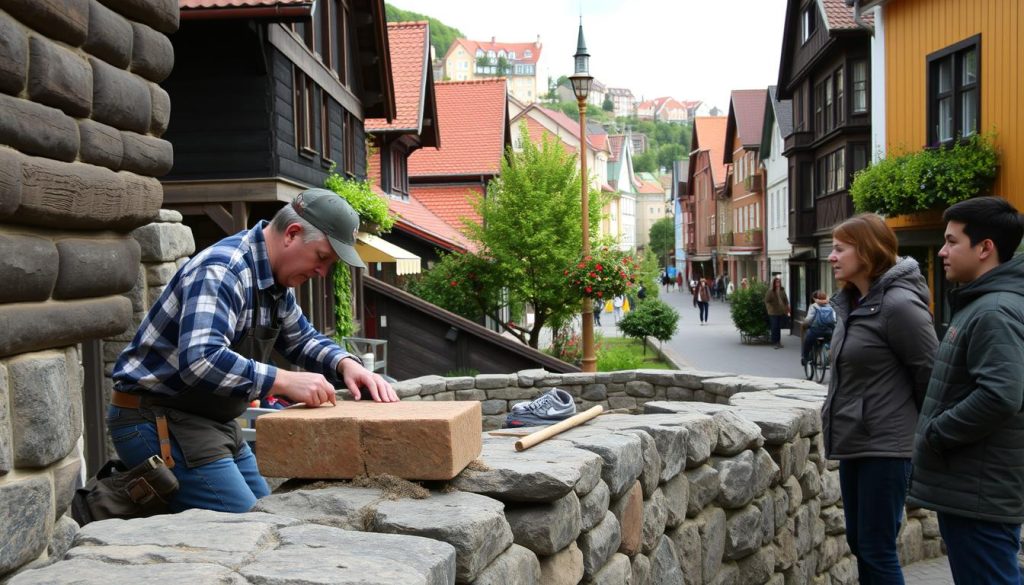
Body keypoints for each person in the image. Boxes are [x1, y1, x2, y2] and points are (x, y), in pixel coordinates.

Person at [108, 189, 399, 514]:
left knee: (273, 512)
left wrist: (347, 365)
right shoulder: (223, 270)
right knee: (252, 527)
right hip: (156, 418)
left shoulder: (276, 283)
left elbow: (302, 339)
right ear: (292, 234)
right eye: (322, 257)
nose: (322, 272)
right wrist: (284, 381)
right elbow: (202, 359)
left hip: (212, 420)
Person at [906, 197, 1024, 585]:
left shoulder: (993, 311)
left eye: (952, 241)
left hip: (979, 494)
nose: (942, 251)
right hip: (978, 489)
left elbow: (1002, 394)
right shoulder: (984, 304)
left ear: (985, 248)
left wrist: (939, 433)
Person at [823, 213, 939, 584]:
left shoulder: (899, 306)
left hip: (887, 447)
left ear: (868, 252)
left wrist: (921, 438)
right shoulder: (855, 303)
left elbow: (931, 376)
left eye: (840, 248)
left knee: (876, 548)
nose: (831, 256)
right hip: (857, 441)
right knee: (861, 542)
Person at [801, 290, 836, 366]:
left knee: (807, 341)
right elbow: (833, 319)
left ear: (814, 298)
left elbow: (809, 319)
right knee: (829, 340)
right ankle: (827, 352)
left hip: (815, 331)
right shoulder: (830, 306)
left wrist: (804, 324)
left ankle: (805, 357)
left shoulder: (814, 306)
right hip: (828, 331)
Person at [764, 276, 790, 348]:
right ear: (774, 283)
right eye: (776, 282)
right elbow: (766, 301)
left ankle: (778, 342)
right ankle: (774, 342)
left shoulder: (782, 290)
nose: (778, 283)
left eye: (779, 282)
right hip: (773, 312)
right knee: (774, 327)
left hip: (781, 311)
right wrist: (770, 308)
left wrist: (787, 307)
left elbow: (786, 300)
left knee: (778, 327)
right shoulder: (770, 291)